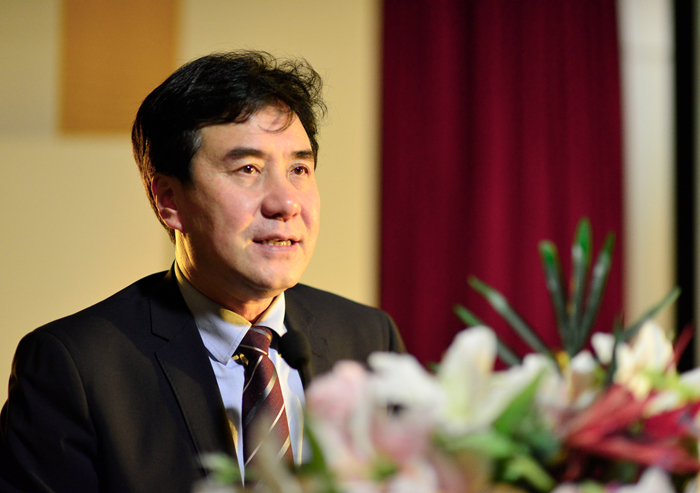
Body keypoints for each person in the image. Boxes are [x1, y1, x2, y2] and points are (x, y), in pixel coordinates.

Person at [0, 51, 404, 493]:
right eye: (248, 169)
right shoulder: (76, 366)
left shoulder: (368, 338)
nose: (286, 203)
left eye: (299, 169)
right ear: (169, 200)